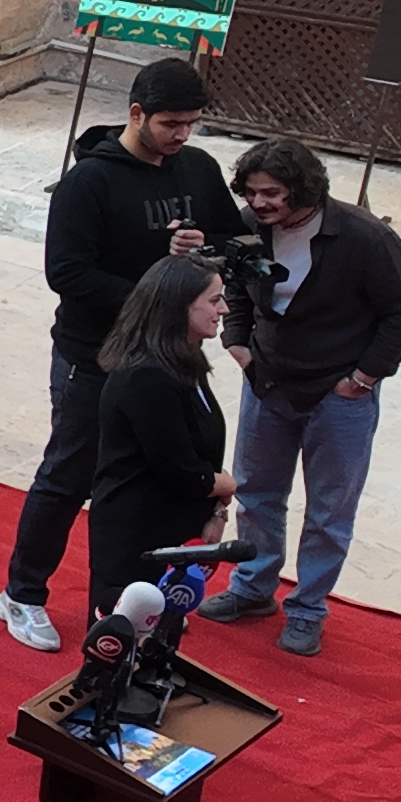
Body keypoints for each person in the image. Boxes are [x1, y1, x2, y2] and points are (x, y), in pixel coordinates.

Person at [0, 56, 249, 651]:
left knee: (147, 480)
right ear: (136, 114)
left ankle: (139, 595)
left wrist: (205, 247)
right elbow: (68, 273)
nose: (181, 136)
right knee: (68, 474)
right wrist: (159, 288)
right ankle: (22, 593)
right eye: (170, 124)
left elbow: (230, 240)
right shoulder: (91, 182)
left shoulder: (199, 169)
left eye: (191, 124)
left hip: (167, 363)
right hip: (95, 356)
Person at [196, 137, 401, 657]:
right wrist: (237, 344)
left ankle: (307, 609)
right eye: (252, 193)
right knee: (255, 492)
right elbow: (234, 282)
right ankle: (253, 589)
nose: (259, 204)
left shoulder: (366, 238)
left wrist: (362, 380)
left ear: (303, 189)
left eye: (271, 194)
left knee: (329, 509)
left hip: (339, 395)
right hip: (268, 382)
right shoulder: (251, 227)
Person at [88, 258, 235, 621]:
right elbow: (179, 469)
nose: (224, 309)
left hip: (169, 531)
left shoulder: (183, 359)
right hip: (136, 540)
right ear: (180, 306)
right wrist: (224, 487)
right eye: (214, 300)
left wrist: (216, 509)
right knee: (120, 643)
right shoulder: (147, 377)